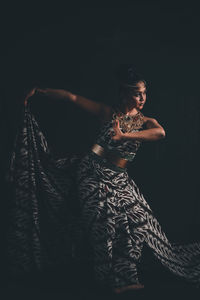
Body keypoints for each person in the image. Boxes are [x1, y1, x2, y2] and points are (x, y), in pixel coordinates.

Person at [8, 65, 200, 294]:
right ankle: (109, 279)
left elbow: (160, 133)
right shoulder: (108, 113)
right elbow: (72, 97)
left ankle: (125, 275)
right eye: (137, 93)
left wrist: (124, 135)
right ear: (125, 93)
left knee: (139, 223)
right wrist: (39, 90)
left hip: (119, 177)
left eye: (144, 93)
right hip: (92, 172)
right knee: (105, 221)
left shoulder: (147, 121)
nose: (142, 98)